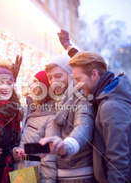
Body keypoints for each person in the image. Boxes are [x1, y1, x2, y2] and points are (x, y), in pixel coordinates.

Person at [43, 29, 131, 183]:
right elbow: (87, 67)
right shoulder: (105, 93)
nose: (77, 84)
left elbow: (118, 164)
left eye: (77, 79)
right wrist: (68, 46)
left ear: (95, 75)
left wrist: (66, 145)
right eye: (50, 78)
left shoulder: (110, 106)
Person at [41, 55, 96, 183]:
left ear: (71, 75)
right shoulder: (56, 102)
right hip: (61, 175)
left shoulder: (81, 100)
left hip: (81, 176)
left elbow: (84, 126)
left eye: (58, 76)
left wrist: (67, 145)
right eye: (50, 78)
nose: (54, 82)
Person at [13, 70, 60, 183]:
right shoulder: (28, 111)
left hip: (35, 175)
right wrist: (16, 152)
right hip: (20, 172)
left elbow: (50, 157)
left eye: (35, 81)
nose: (30, 85)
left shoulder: (51, 117)